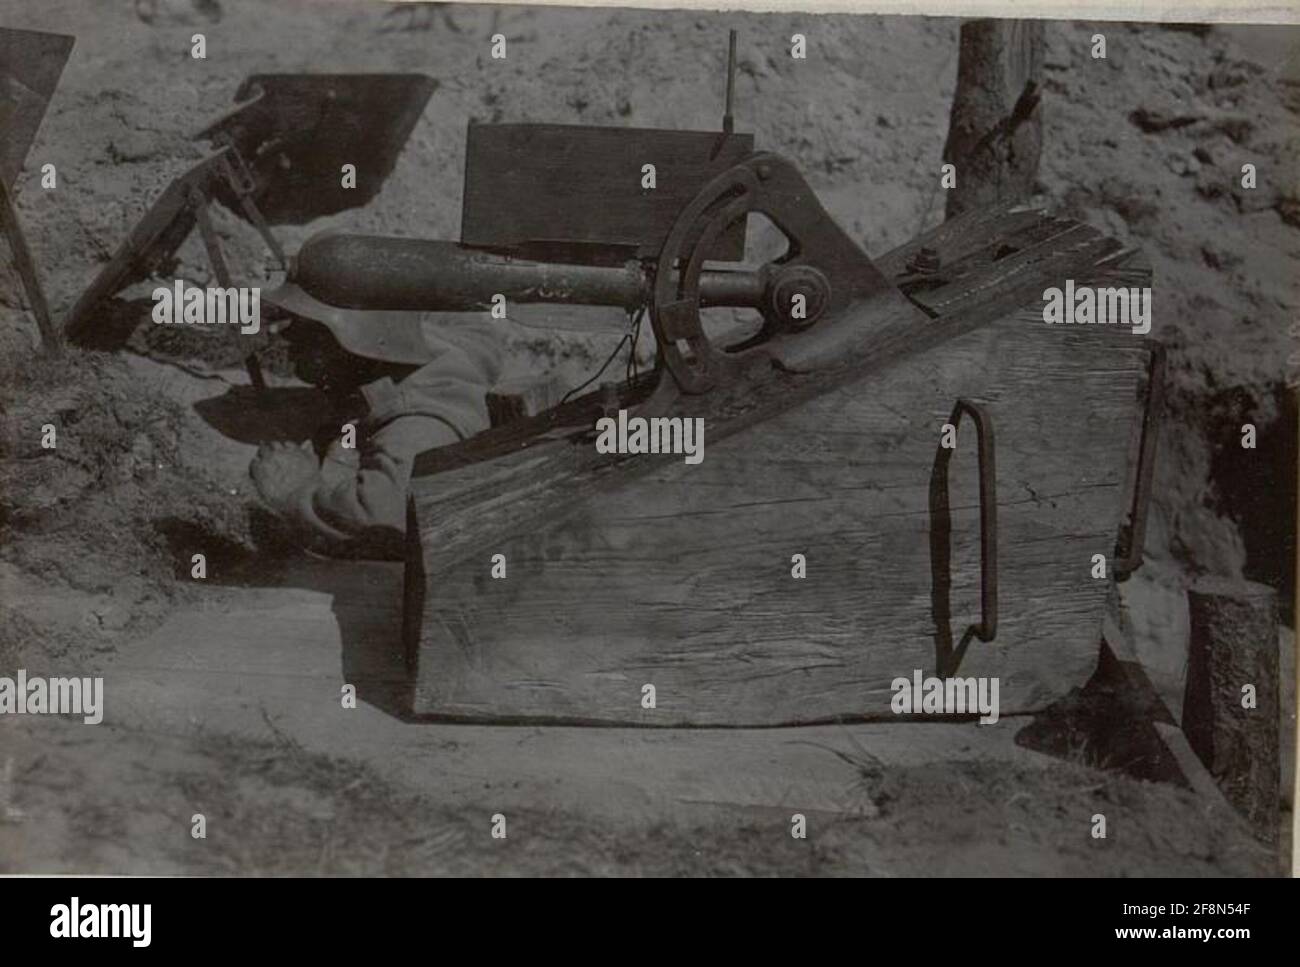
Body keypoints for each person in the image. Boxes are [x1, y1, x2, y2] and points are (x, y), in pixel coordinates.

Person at [250, 283, 502, 558]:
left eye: (304, 324)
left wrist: (296, 493)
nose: (284, 334)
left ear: (349, 342)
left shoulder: (418, 423)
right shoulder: (386, 366)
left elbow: (381, 518)